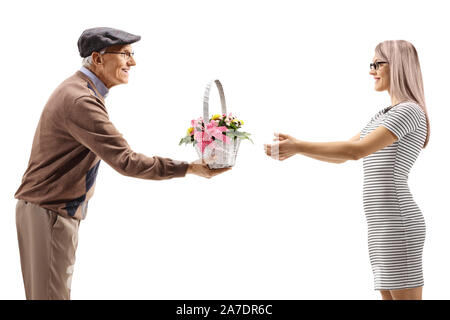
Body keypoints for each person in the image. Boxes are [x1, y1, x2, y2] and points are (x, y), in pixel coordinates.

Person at [14, 27, 229, 300]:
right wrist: (189, 167)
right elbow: (126, 161)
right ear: (97, 58)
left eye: (132, 54)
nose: (133, 62)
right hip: (50, 211)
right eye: (125, 54)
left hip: (46, 209)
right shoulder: (81, 100)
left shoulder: (79, 89)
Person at [264, 40, 429, 300]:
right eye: (371, 64)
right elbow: (345, 153)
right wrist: (297, 149)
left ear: (397, 65)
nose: (371, 70)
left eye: (378, 64)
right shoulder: (384, 114)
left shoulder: (408, 111)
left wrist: (299, 146)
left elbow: (356, 152)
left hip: (397, 223)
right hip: (381, 224)